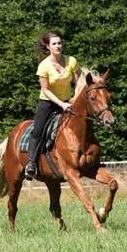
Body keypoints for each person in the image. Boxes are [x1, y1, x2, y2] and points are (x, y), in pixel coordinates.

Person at [24, 31, 80, 180]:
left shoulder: (71, 61)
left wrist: (74, 98)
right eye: (54, 44)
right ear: (48, 47)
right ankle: (31, 163)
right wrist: (61, 104)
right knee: (38, 130)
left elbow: (78, 83)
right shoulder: (44, 66)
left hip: (68, 102)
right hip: (49, 103)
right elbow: (45, 90)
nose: (58, 46)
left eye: (59, 43)